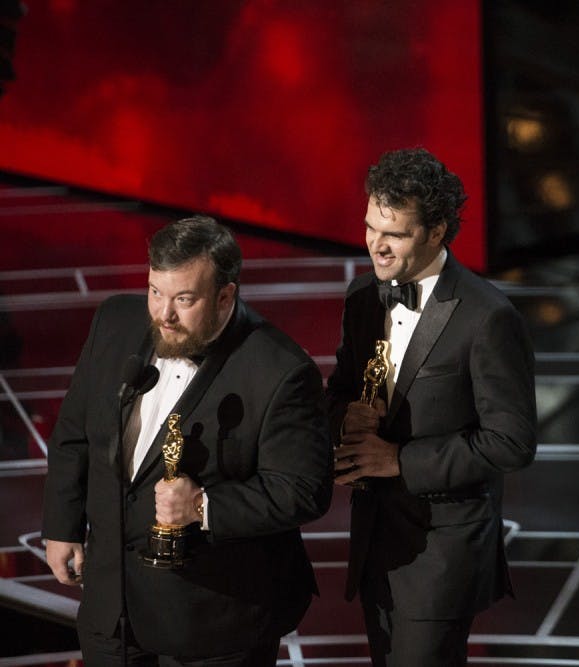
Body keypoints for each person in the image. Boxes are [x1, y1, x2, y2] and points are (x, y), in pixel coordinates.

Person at [42, 216, 332, 665]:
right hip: (110, 609)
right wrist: (61, 526)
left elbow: (302, 490)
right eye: (155, 292)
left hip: (215, 620)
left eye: (184, 299)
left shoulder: (280, 371)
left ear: (225, 295)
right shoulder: (115, 321)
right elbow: (76, 431)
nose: (164, 314)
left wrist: (202, 507)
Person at [326, 148, 537, 666]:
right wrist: (344, 416)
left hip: (442, 553)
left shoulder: (488, 317)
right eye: (371, 226)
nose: (376, 244)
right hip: (376, 541)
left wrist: (399, 460)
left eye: (393, 234)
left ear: (437, 231)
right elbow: (341, 389)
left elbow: (512, 442)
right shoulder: (361, 297)